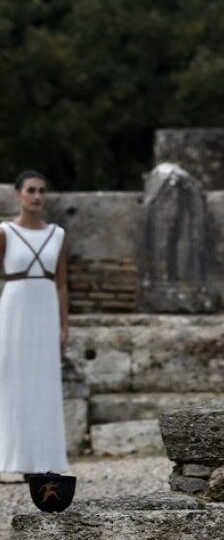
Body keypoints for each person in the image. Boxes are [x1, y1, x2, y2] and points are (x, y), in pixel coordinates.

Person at [0, 171, 69, 477]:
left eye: (42, 190)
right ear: (18, 195)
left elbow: (62, 284)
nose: (37, 196)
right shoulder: (5, 232)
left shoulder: (57, 234)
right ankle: (8, 458)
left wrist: (64, 326)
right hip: (13, 310)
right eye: (31, 190)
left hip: (45, 310)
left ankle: (42, 461)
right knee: (10, 382)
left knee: (43, 384)